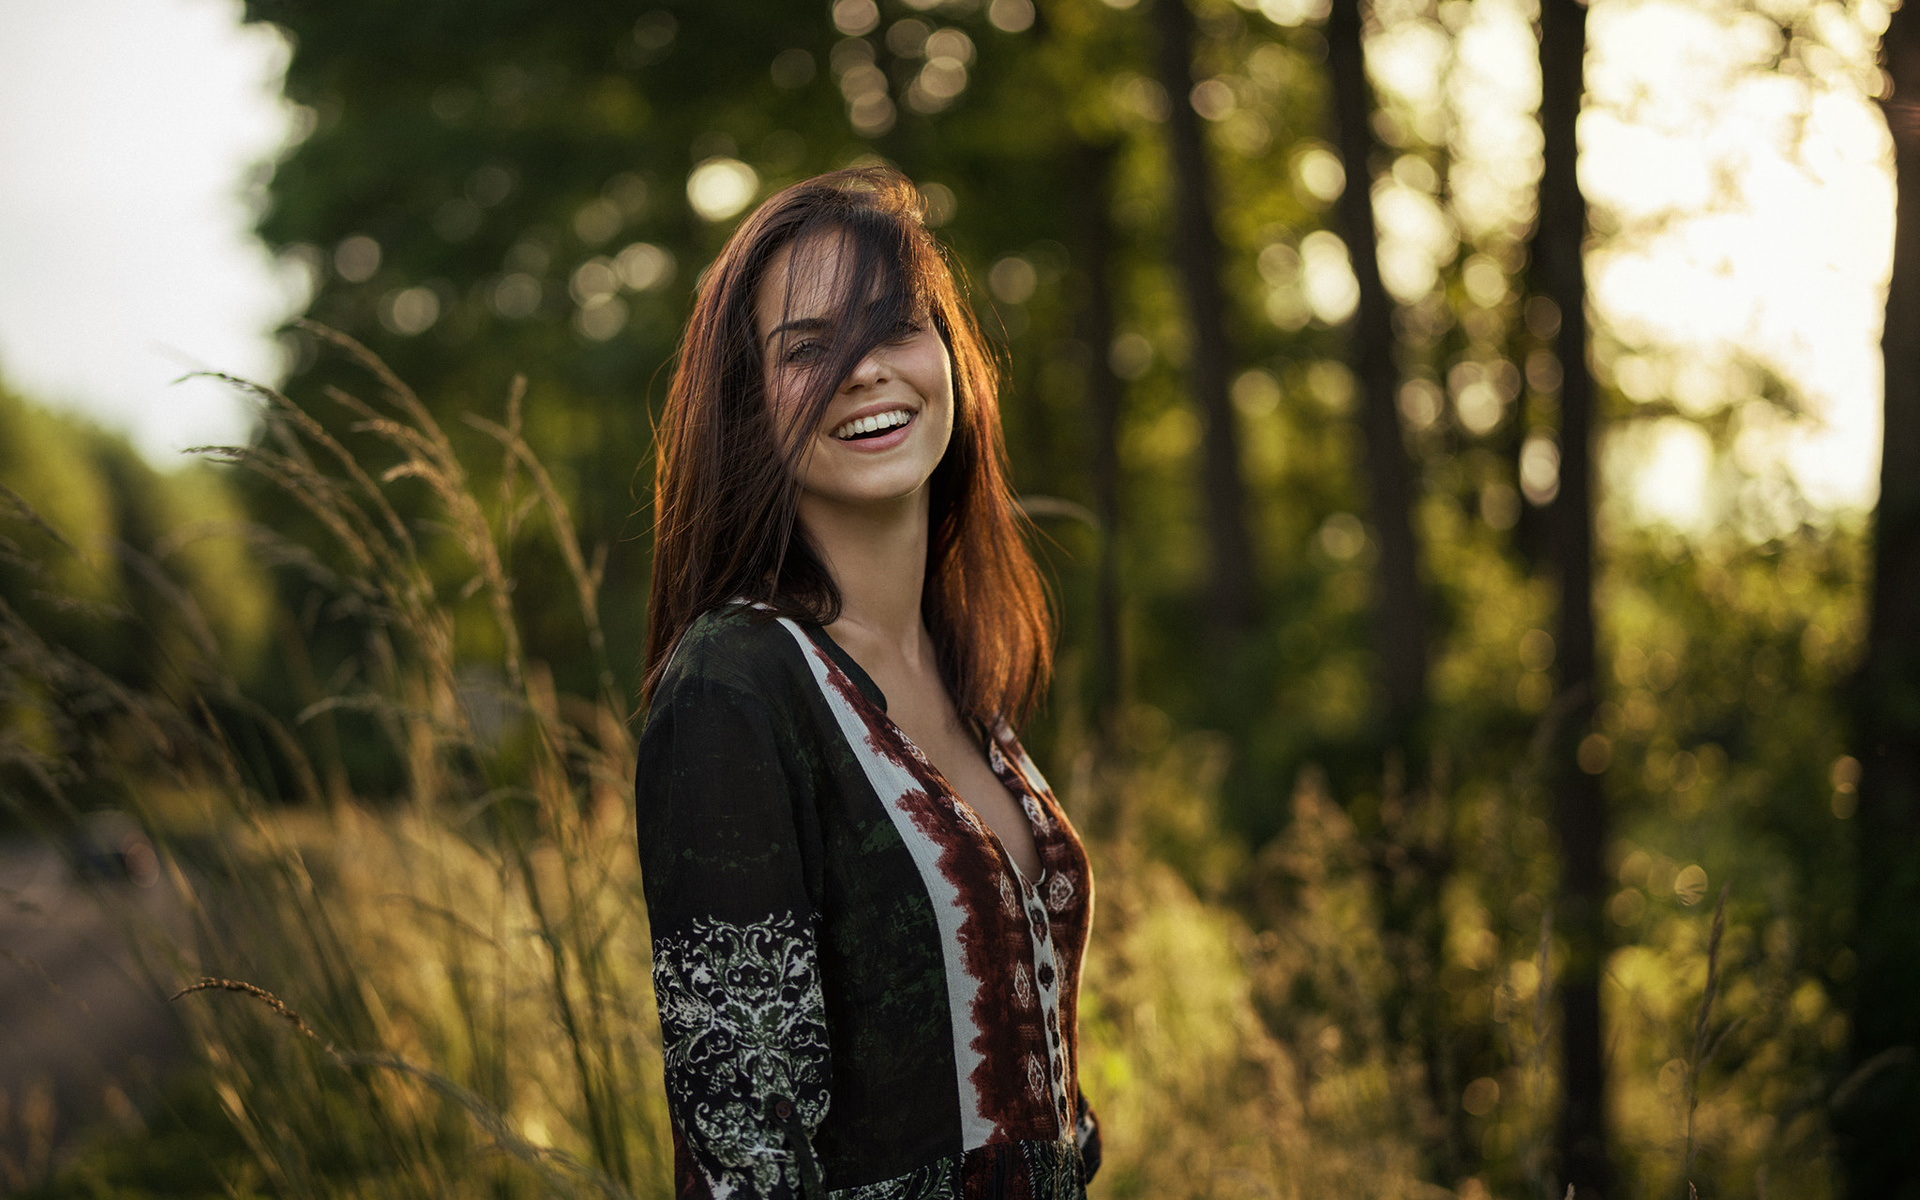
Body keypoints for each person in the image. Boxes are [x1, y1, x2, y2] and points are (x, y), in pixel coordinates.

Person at [634, 167, 1101, 1199]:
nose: (864, 372)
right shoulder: (736, 683)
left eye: (895, 327)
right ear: (748, 403)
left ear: (948, 358)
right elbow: (748, 1162)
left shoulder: (961, 667)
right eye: (809, 348)